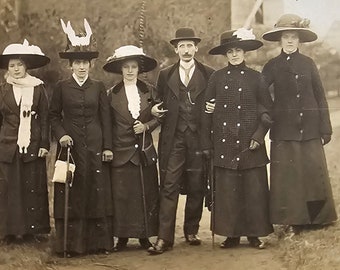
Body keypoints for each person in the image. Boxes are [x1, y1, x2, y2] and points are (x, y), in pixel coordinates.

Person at [262, 14, 337, 234]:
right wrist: (270, 111)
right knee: (289, 177)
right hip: (284, 130)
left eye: (293, 37)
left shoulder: (308, 63)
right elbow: (260, 92)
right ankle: (293, 219)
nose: (289, 41)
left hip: (311, 128)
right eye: (286, 37)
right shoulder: (272, 66)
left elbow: (320, 96)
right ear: (280, 40)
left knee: (313, 173)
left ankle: (318, 218)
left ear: (299, 40)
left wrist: (326, 127)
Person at [201, 28, 273, 249]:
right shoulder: (216, 77)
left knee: (253, 190)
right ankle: (231, 234)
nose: (234, 55)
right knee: (229, 192)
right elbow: (206, 111)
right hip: (225, 143)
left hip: (250, 143)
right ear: (225, 55)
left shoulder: (256, 78)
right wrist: (207, 144)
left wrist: (259, 137)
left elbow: (268, 113)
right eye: (230, 51)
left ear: (245, 53)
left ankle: (254, 234)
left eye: (238, 50)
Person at [49, 19, 114, 256]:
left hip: (95, 147)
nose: (82, 67)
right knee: (71, 191)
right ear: (71, 65)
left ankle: (99, 244)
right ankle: (70, 245)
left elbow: (106, 118)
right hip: (71, 147)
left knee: (96, 190)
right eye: (77, 62)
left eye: (85, 62)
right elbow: (53, 116)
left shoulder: (98, 87)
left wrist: (107, 146)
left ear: (91, 64)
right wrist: (62, 135)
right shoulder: (61, 87)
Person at [148, 27, 214, 255]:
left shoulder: (208, 73)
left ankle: (191, 230)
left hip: (198, 137)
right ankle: (164, 238)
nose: (186, 50)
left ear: (196, 48)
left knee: (197, 184)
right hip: (173, 138)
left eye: (190, 46)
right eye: (182, 46)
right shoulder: (165, 74)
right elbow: (157, 101)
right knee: (169, 185)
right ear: (176, 49)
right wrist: (155, 109)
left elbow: (214, 102)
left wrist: (212, 108)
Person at [103, 45, 159, 251]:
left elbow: (160, 116)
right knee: (121, 195)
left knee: (145, 193)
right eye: (125, 67)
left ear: (139, 69)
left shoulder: (150, 91)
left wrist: (147, 126)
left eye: (133, 66)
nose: (129, 70)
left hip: (143, 152)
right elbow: (106, 124)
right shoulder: (111, 94)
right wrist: (108, 148)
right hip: (121, 152)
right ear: (120, 69)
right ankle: (122, 237)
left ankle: (144, 236)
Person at [0, 40, 51, 244]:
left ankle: (32, 231)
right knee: (9, 188)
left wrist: (45, 144)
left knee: (32, 187)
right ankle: (9, 232)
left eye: (19, 65)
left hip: (32, 143)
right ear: (7, 68)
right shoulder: (3, 89)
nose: (16, 69)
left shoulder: (37, 88)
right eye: (12, 65)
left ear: (26, 66)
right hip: (8, 145)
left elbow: (46, 118)